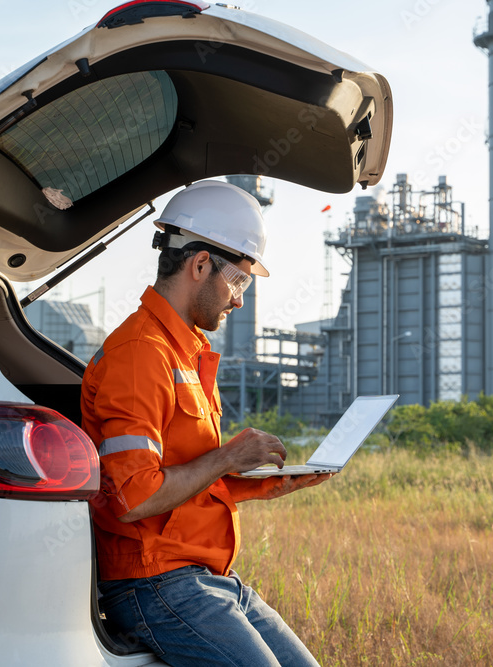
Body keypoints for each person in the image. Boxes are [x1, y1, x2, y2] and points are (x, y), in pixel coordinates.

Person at [82, 180, 330, 666]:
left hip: (204, 577)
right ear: (200, 265)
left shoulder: (185, 353)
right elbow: (136, 497)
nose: (238, 300)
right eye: (238, 282)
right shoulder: (140, 354)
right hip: (152, 582)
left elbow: (185, 476)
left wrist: (261, 484)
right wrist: (228, 456)